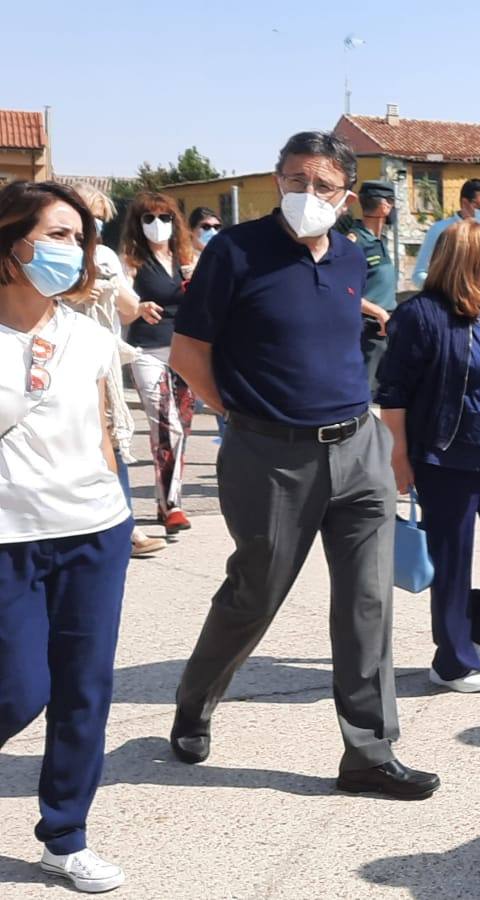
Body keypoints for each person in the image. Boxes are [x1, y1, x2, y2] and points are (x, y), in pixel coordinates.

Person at [167, 131, 439, 799]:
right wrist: (239, 415)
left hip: (359, 447)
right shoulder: (235, 252)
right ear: (276, 180)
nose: (307, 195)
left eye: (323, 185)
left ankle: (369, 753)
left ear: (346, 195)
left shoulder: (348, 256)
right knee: (255, 593)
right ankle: (195, 703)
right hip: (270, 456)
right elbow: (187, 351)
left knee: (368, 605)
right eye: (295, 180)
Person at [0, 180, 135, 893]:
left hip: (93, 531)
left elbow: (104, 432)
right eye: (56, 235)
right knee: (19, 691)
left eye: (78, 237)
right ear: (10, 241)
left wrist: (119, 511)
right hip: (6, 537)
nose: (73, 250)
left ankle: (66, 836)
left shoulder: (88, 335)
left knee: (84, 691)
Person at [377, 220, 480, 693]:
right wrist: (399, 458)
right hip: (445, 455)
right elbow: (393, 393)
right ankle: (451, 661)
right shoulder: (421, 316)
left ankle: (476, 629)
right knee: (453, 559)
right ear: (469, 262)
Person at [71, 185, 166, 558]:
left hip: (99, 365)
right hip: (57, 365)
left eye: (96, 216)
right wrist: (72, 291)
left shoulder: (106, 255)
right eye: (83, 213)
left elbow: (126, 308)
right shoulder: (46, 253)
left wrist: (137, 306)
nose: (91, 222)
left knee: (111, 442)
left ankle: (124, 527)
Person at [121, 191, 196, 536]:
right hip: (147, 350)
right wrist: (137, 307)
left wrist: (195, 278)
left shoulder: (186, 256)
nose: (157, 225)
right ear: (137, 223)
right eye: (148, 218)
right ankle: (174, 505)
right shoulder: (131, 261)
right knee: (168, 426)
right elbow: (121, 302)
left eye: (165, 218)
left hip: (185, 350)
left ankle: (164, 500)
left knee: (179, 426)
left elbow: (207, 302)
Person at [338, 181, 399, 390]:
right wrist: (379, 313)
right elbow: (342, 290)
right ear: (384, 207)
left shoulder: (379, 240)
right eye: (392, 203)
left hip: (384, 326)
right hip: (368, 328)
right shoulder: (355, 241)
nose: (393, 209)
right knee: (365, 389)